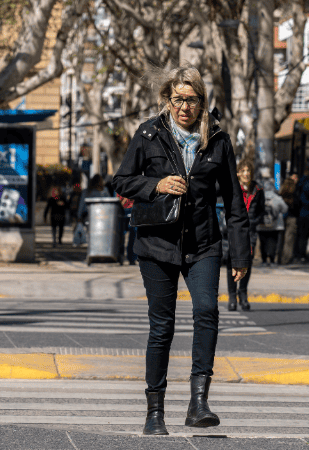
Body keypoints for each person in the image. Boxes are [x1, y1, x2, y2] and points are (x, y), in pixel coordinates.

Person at [112, 65, 250, 436]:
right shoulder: (149, 133)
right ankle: (154, 413)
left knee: (207, 310)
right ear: (167, 100)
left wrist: (241, 255)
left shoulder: (217, 140)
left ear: (202, 102)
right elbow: (121, 180)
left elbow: (234, 202)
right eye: (178, 99)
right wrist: (156, 184)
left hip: (203, 243)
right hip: (157, 244)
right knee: (163, 327)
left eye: (191, 100)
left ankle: (198, 402)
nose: (184, 107)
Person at [226, 160, 263, 312]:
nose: (246, 173)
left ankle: (243, 294)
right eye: (243, 170)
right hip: (233, 231)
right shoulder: (232, 188)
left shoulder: (258, 190)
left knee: (246, 263)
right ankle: (232, 296)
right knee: (231, 263)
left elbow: (261, 212)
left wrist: (253, 221)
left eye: (248, 170)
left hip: (250, 231)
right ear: (238, 173)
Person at [257, 180, 287, 267]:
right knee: (273, 242)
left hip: (261, 225)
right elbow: (285, 209)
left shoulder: (259, 198)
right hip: (275, 225)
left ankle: (264, 260)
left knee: (263, 242)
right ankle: (272, 260)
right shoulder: (277, 198)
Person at [294, 165, 309, 264]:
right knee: (305, 235)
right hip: (307, 212)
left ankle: (297, 255)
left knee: (299, 234)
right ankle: (303, 256)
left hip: (298, 212)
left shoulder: (299, 182)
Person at [278, 173, 299, 264]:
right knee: (289, 239)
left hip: (281, 217)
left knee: (280, 238)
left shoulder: (281, 194)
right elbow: (298, 205)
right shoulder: (295, 194)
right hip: (292, 217)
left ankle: (278, 258)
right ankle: (286, 259)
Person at [117, 193, 138, 265]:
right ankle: (120, 256)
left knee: (133, 235)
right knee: (120, 235)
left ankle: (132, 258)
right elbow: (117, 200)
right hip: (122, 210)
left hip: (133, 209)